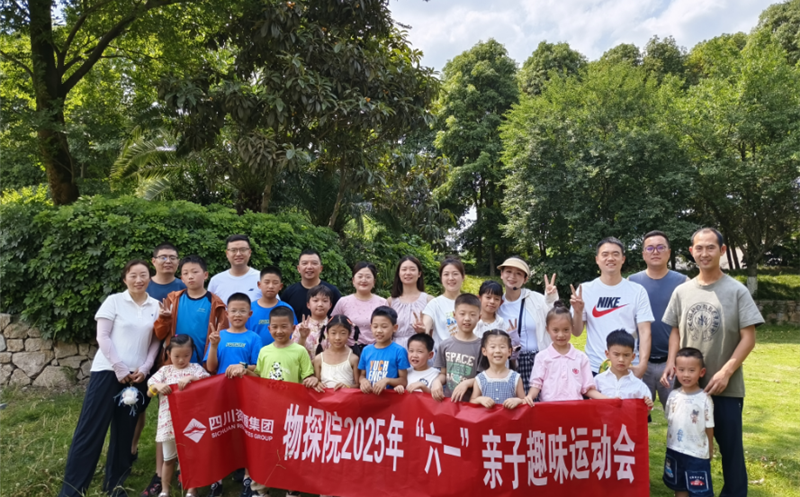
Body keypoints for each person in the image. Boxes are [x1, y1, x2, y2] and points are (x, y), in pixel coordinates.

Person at [661, 228, 762, 497]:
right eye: (699, 248)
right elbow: (675, 332)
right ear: (691, 251)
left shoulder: (737, 291)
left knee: (731, 452)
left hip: (726, 388)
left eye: (710, 247)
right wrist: (671, 362)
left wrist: (726, 372)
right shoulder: (682, 292)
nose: (704, 253)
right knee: (686, 446)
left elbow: (748, 338)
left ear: (722, 250)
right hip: (688, 388)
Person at [59, 260, 161, 497]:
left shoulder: (156, 305)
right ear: (125, 279)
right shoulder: (114, 301)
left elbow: (156, 339)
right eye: (133, 275)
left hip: (136, 376)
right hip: (107, 371)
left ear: (149, 278)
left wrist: (146, 368)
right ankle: (73, 489)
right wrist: (119, 367)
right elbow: (103, 337)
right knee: (91, 429)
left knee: (125, 433)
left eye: (143, 275)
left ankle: (115, 485)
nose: (138, 280)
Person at [229, 305, 321, 497]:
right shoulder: (265, 351)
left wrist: (311, 379)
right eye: (275, 327)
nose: (279, 331)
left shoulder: (300, 351)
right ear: (269, 328)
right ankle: (261, 489)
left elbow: (307, 375)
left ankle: (292, 488)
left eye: (284, 326)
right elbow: (259, 376)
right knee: (266, 449)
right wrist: (245, 371)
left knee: (291, 450)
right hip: (267, 410)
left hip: (292, 412)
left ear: (293, 328)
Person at [140, 242, 186, 497]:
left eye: (173, 257)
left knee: (185, 414)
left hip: (182, 356)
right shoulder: (144, 285)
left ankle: (180, 469)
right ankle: (159, 472)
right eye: (163, 257)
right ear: (154, 260)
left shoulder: (183, 286)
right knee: (163, 415)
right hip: (153, 356)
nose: (168, 261)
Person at [570, 237, 654, 377]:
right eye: (605, 254)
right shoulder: (585, 290)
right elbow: (576, 332)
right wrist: (577, 312)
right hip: (595, 367)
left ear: (623, 259)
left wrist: (642, 364)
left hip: (628, 366)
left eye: (615, 254)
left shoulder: (637, 291)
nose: (610, 258)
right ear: (597, 259)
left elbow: (645, 331)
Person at [629, 230, 689, 408]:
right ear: (643, 254)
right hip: (639, 361)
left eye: (660, 247)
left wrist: (674, 361)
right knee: (637, 415)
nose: (655, 252)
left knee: (677, 413)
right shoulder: (632, 282)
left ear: (669, 252)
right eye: (650, 248)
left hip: (672, 362)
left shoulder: (684, 282)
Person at [146, 335, 209, 497]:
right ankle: (165, 490)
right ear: (168, 353)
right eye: (177, 356)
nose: (181, 360)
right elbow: (149, 392)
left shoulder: (195, 369)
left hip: (192, 422)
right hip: (169, 422)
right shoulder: (164, 371)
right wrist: (157, 386)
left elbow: (208, 383)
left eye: (186, 355)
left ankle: (191, 491)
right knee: (168, 459)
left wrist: (193, 378)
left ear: (192, 352)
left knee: (192, 458)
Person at [495, 256, 558, 391]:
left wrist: (551, 298)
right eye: (508, 271)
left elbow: (556, 315)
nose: (512, 276)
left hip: (539, 360)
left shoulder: (536, 299)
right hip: (509, 362)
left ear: (525, 279)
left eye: (518, 273)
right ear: (502, 274)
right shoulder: (496, 304)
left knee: (541, 399)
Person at [525, 302, 607, 404]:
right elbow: (536, 385)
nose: (561, 335)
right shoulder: (542, 357)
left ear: (572, 328)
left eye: (566, 330)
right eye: (555, 330)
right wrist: (529, 397)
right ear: (547, 330)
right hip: (549, 410)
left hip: (575, 409)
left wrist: (608, 399)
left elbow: (588, 388)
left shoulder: (581, 358)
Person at [154, 255, 228, 365]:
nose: (190, 276)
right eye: (185, 273)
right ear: (182, 278)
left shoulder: (216, 304)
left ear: (205, 275)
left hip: (204, 366)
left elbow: (224, 337)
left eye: (195, 272)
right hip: (174, 365)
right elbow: (160, 335)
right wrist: (164, 319)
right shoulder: (173, 300)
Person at [662, 348, 715, 497]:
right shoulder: (673, 396)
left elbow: (709, 426)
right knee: (679, 486)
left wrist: (710, 448)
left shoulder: (705, 398)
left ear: (701, 372)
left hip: (696, 453)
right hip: (674, 450)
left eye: (691, 370)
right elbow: (671, 421)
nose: (686, 374)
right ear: (675, 371)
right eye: (681, 370)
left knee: (699, 491)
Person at [430, 293, 483, 402]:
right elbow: (443, 374)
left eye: (472, 314)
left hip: (472, 404)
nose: (467, 318)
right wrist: (437, 381)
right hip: (449, 404)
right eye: (462, 314)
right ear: (454, 315)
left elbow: (485, 379)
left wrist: (467, 383)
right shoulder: (445, 345)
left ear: (479, 317)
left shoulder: (482, 347)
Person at [331, 261, 387, 352]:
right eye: (360, 276)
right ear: (353, 280)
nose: (364, 280)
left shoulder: (382, 303)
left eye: (368, 277)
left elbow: (388, 328)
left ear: (374, 282)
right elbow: (333, 325)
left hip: (376, 350)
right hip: (348, 351)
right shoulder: (343, 302)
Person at [594, 330, 655, 409]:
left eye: (626, 355)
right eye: (616, 354)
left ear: (633, 357)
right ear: (607, 354)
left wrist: (648, 406)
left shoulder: (639, 386)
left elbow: (644, 413)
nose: (621, 359)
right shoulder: (598, 381)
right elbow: (591, 406)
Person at [205, 293, 261, 376]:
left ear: (250, 314)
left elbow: (258, 368)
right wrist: (213, 345)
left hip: (244, 382)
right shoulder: (218, 336)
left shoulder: (254, 338)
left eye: (242, 311)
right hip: (223, 382)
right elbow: (210, 368)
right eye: (233, 311)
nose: (237, 315)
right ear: (227, 314)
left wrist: (243, 366)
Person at [358, 306, 410, 393]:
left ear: (395, 328)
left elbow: (403, 381)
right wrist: (363, 381)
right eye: (375, 326)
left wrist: (387, 380)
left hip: (390, 398)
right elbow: (362, 375)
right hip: (369, 397)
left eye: (384, 326)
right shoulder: (366, 350)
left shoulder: (399, 351)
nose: (379, 330)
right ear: (371, 327)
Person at [416, 258, 466, 348]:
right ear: (441, 278)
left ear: (463, 277)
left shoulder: (471, 302)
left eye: (455, 274)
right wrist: (423, 330)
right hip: (442, 354)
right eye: (446, 274)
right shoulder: (435, 304)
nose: (451, 278)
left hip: (468, 353)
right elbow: (426, 325)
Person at [470, 330, 526, 409]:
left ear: (509, 351)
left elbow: (524, 401)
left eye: (502, 347)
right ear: (484, 351)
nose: (498, 351)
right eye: (493, 347)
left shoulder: (515, 378)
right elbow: (472, 401)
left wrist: (517, 401)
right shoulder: (480, 378)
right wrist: (480, 399)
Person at [387, 255, 433, 348]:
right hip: (395, 350)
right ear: (399, 273)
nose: (408, 273)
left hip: (421, 350)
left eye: (412, 269)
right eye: (404, 269)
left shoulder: (429, 300)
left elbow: (433, 332)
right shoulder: (390, 302)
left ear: (419, 274)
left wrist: (424, 331)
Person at [281, 249, 342, 319]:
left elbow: (340, 318)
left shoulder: (332, 291)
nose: (309, 267)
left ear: (320, 268)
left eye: (314, 263)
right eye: (305, 263)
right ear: (298, 268)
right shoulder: (289, 292)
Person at [246, 266, 297, 347]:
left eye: (275, 283)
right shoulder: (249, 308)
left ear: (280, 286)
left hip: (282, 352)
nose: (270, 286)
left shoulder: (287, 308)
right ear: (259, 284)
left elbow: (294, 334)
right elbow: (244, 334)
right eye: (267, 282)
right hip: (256, 353)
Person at [475, 280, 520, 363]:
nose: (492, 302)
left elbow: (512, 359)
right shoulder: (472, 323)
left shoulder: (504, 326)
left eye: (496, 299)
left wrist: (515, 344)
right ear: (479, 298)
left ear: (501, 302)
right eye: (488, 297)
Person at [208, 234, 262, 303]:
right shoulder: (216, 281)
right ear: (227, 254)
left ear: (249, 252)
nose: (238, 254)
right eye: (233, 250)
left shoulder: (261, 278)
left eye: (243, 250)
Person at [312, 315, 359, 389]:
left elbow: (358, 385)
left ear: (349, 334)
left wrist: (347, 387)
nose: (337, 338)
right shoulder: (319, 359)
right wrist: (318, 384)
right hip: (325, 396)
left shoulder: (353, 359)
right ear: (327, 333)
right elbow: (317, 381)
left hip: (347, 396)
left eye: (343, 333)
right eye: (333, 333)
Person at [292, 284, 334, 357]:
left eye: (325, 301)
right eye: (315, 300)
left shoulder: (334, 326)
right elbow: (294, 353)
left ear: (330, 305)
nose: (320, 304)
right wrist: (302, 337)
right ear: (308, 305)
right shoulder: (300, 327)